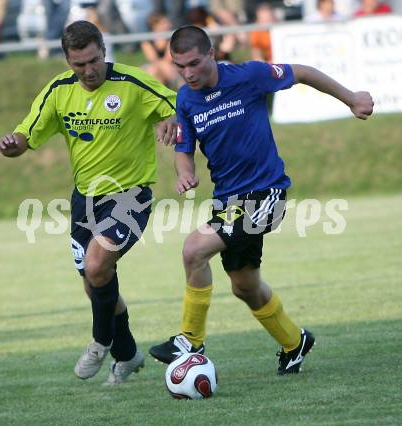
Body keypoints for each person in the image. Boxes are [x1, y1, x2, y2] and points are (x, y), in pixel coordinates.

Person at [149, 25, 374, 375]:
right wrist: (184, 172)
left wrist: (351, 98)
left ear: (212, 54)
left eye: (194, 63)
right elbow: (183, 148)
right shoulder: (185, 98)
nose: (188, 73)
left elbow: (303, 73)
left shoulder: (249, 75)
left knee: (194, 250)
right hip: (228, 201)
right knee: (245, 286)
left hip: (266, 192)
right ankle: (293, 341)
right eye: (180, 66)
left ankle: (189, 340)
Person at [0, 20, 177, 385]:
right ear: (67, 60)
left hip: (131, 195)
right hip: (84, 200)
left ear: (104, 51)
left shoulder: (132, 83)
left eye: (93, 60)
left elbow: (176, 106)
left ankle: (101, 341)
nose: (88, 70)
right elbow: (26, 134)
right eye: (79, 64)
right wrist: (13, 144)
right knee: (94, 282)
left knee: (96, 266)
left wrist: (170, 119)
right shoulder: (59, 91)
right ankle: (127, 356)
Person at [141, 13, 180, 88]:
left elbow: (169, 59)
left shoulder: (172, 37)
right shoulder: (147, 40)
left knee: (166, 67)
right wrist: (160, 66)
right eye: (164, 22)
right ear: (155, 25)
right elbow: (153, 59)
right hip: (158, 67)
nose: (169, 24)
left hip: (169, 66)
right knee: (152, 69)